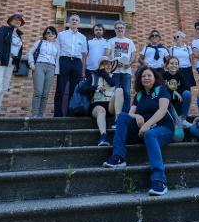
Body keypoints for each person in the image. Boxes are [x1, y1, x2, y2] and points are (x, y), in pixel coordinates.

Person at [103, 67, 174, 196]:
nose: (146, 78)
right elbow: (130, 113)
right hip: (142, 130)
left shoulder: (162, 91)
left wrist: (147, 124)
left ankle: (159, 181)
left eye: (149, 75)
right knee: (123, 117)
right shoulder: (139, 95)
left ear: (155, 77)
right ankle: (119, 156)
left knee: (150, 134)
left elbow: (162, 110)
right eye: (143, 76)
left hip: (163, 129)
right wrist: (137, 116)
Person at [0, 13, 24, 117]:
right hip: (0, 60)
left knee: (4, 87)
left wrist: (16, 64)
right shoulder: (4, 29)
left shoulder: (19, 35)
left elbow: (18, 51)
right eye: (15, 19)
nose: (17, 21)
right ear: (10, 21)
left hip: (11, 62)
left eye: (19, 20)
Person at [80, 56, 123, 146]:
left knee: (120, 90)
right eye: (105, 64)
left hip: (110, 106)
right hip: (96, 106)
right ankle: (103, 137)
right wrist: (95, 87)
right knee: (101, 110)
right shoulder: (93, 76)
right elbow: (82, 89)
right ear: (100, 66)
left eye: (110, 64)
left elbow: (112, 83)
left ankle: (118, 120)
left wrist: (104, 74)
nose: (109, 66)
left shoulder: (113, 76)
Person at [54, 14, 88, 117]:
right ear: (69, 22)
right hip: (64, 60)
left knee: (74, 90)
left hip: (77, 62)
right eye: (72, 19)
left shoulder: (82, 37)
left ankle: (70, 113)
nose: (74, 21)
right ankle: (57, 114)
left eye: (76, 20)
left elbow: (83, 55)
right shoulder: (61, 34)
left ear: (79, 23)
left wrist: (83, 71)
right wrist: (57, 67)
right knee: (60, 88)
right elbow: (57, 51)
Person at [27, 26, 59, 118]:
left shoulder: (56, 46)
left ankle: (41, 115)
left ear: (55, 35)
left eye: (52, 33)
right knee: (38, 91)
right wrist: (31, 63)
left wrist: (56, 71)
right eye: (48, 33)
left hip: (51, 68)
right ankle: (35, 114)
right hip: (39, 66)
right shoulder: (39, 42)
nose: (50, 34)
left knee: (45, 93)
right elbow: (30, 53)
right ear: (45, 34)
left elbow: (57, 58)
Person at [106, 20, 137, 113]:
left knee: (127, 93)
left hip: (126, 71)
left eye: (122, 28)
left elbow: (133, 54)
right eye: (118, 28)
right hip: (114, 71)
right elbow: (107, 55)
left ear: (124, 29)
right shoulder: (111, 41)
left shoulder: (129, 41)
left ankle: (125, 114)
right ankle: (115, 115)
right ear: (115, 29)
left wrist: (129, 63)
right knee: (114, 93)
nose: (120, 29)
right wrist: (114, 62)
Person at [162, 57, 192, 128]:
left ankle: (183, 119)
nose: (174, 65)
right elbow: (161, 89)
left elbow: (187, 87)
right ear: (167, 65)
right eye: (171, 63)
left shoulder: (181, 75)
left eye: (176, 64)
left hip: (179, 101)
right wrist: (173, 91)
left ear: (178, 66)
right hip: (167, 102)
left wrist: (177, 92)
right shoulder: (163, 75)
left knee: (187, 93)